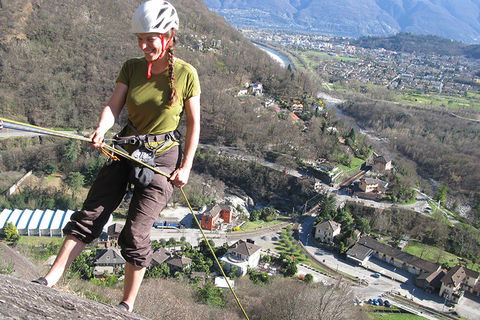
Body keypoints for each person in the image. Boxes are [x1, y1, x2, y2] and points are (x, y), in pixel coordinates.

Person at [32, 0, 201, 313]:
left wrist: (186, 166)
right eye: (140, 39)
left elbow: (194, 126)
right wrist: (100, 129)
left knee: (135, 233)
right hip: (126, 147)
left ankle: (126, 305)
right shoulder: (132, 67)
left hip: (163, 157)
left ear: (169, 36)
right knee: (91, 213)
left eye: (150, 38)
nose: (144, 44)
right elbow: (114, 106)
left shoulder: (187, 75)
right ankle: (50, 277)